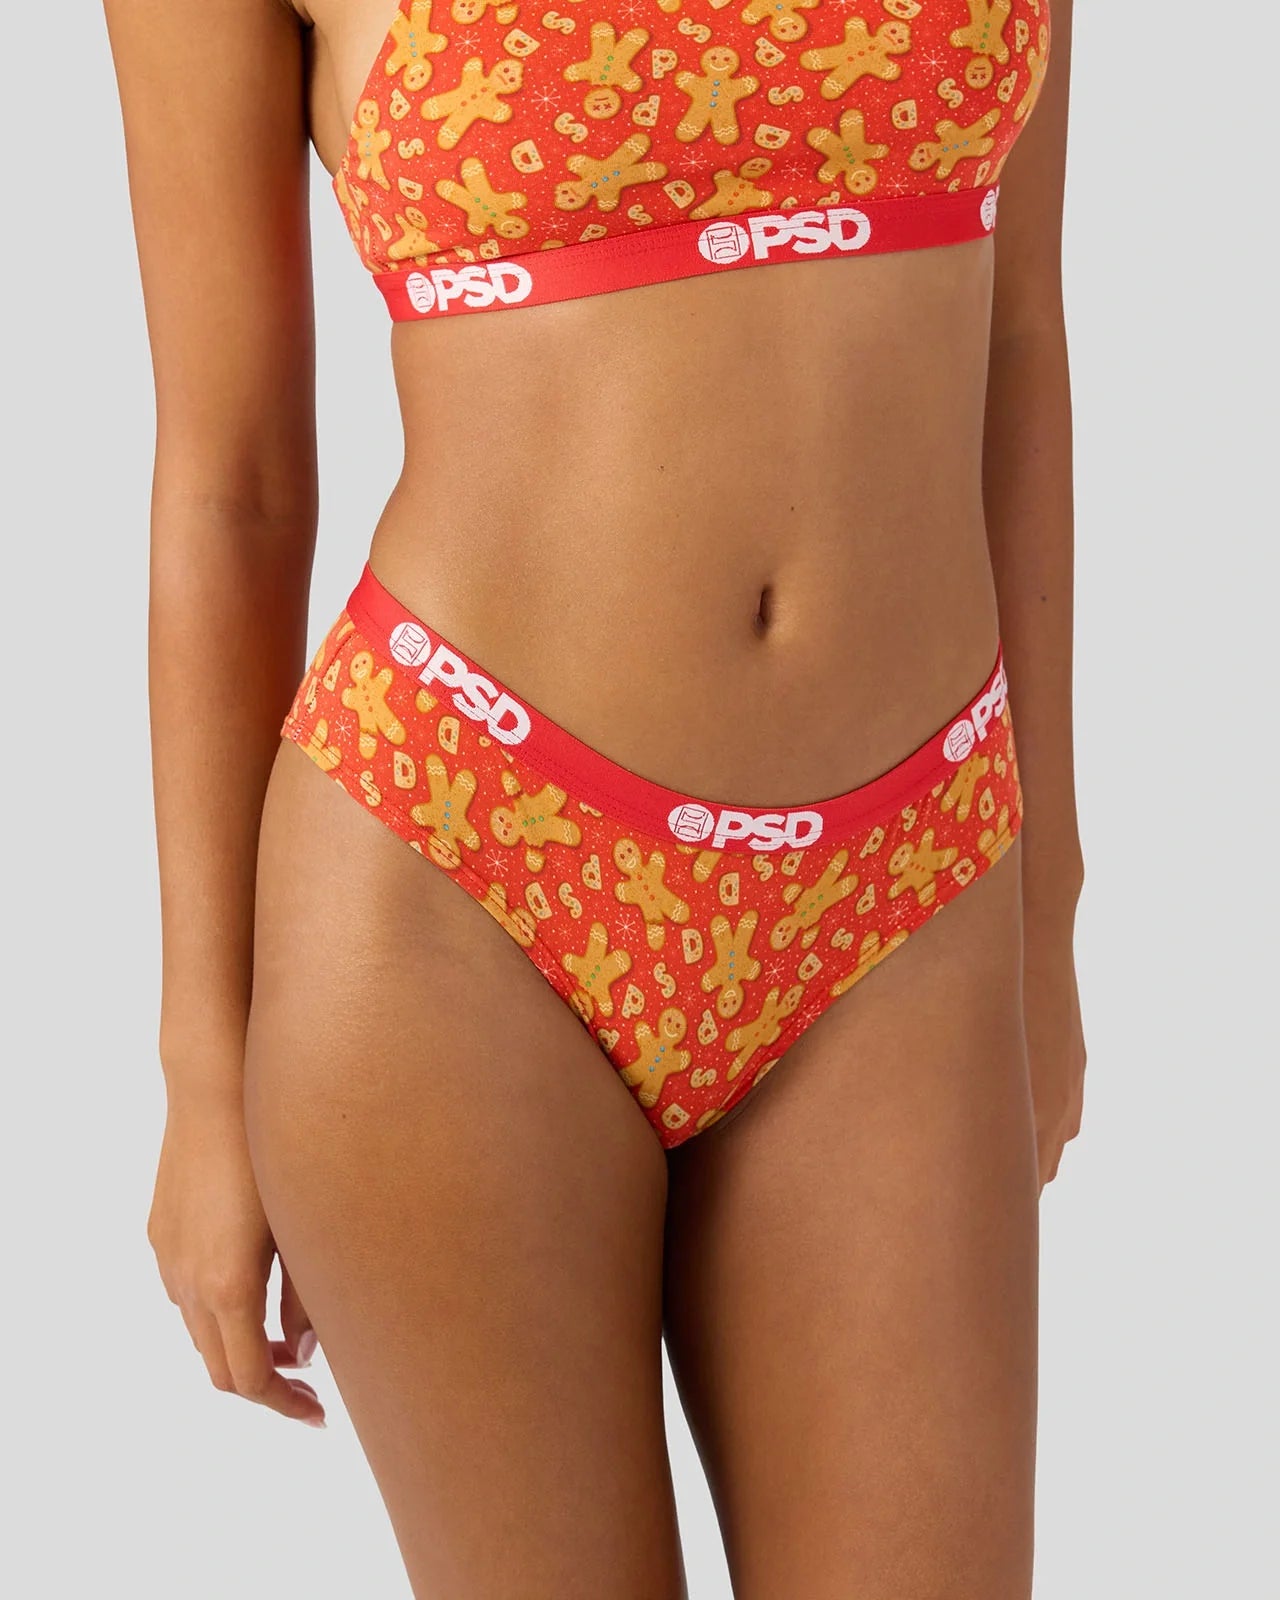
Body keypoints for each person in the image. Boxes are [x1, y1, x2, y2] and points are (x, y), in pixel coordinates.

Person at [107, 0, 1084, 1592]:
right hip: (460, 871)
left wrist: (1044, 907)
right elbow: (236, 485)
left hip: (907, 884)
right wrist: (201, 1075)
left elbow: (1022, 342)